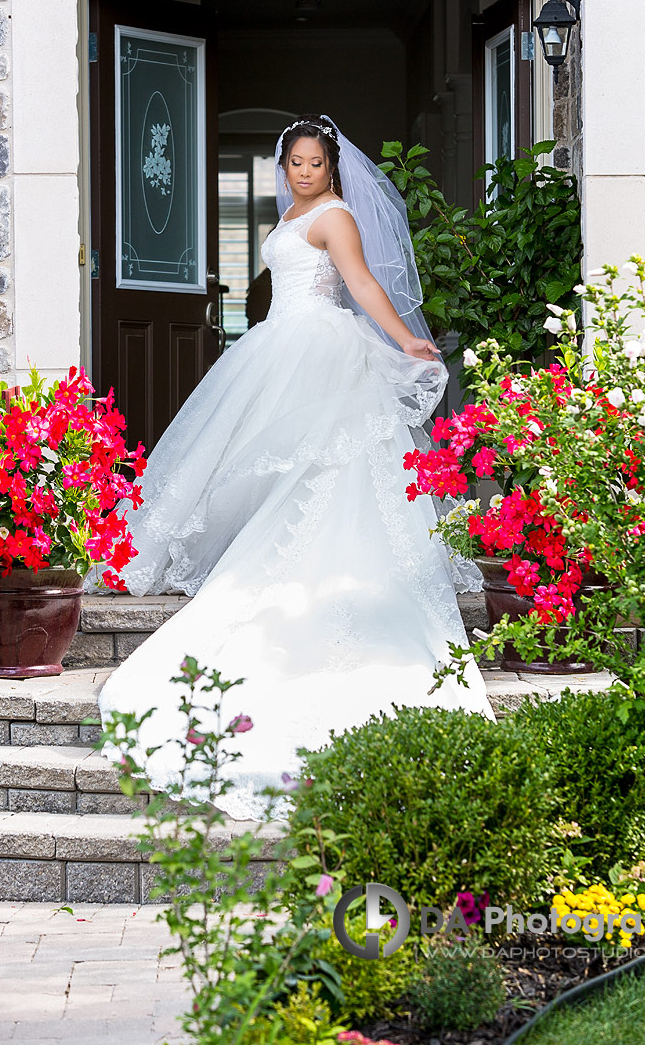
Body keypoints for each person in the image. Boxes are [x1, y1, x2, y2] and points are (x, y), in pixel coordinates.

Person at [98, 115, 495, 821]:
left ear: (332, 167)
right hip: (278, 343)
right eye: (296, 164)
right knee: (268, 461)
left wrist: (406, 341)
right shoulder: (294, 215)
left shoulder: (336, 217)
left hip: (321, 348)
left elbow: (363, 285)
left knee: (327, 465)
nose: (305, 172)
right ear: (283, 167)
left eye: (315, 163)